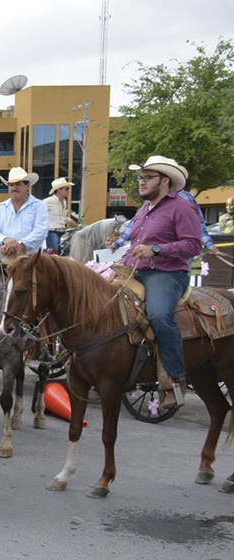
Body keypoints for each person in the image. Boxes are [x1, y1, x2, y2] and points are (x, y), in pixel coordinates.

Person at [121, 156, 202, 409]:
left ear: (164, 181)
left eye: (147, 178)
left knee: (158, 315)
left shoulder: (182, 206)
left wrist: (156, 249)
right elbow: (135, 248)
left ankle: (176, 380)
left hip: (167, 274)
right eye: (140, 178)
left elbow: (193, 245)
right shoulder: (142, 210)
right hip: (136, 272)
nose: (141, 183)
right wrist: (119, 265)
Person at [0, 167, 49, 261]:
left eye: (18, 184)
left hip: (29, 259)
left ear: (27, 186)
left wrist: (18, 244)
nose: (14, 188)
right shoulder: (0, 207)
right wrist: (5, 239)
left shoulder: (39, 206)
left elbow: (41, 232)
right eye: (11, 185)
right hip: (3, 256)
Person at [43, 177, 75, 255]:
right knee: (54, 253)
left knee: (63, 252)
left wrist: (70, 221)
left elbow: (62, 217)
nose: (68, 191)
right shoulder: (48, 201)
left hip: (62, 231)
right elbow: (38, 212)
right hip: (52, 231)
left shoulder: (64, 202)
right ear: (59, 190)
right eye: (66, 188)